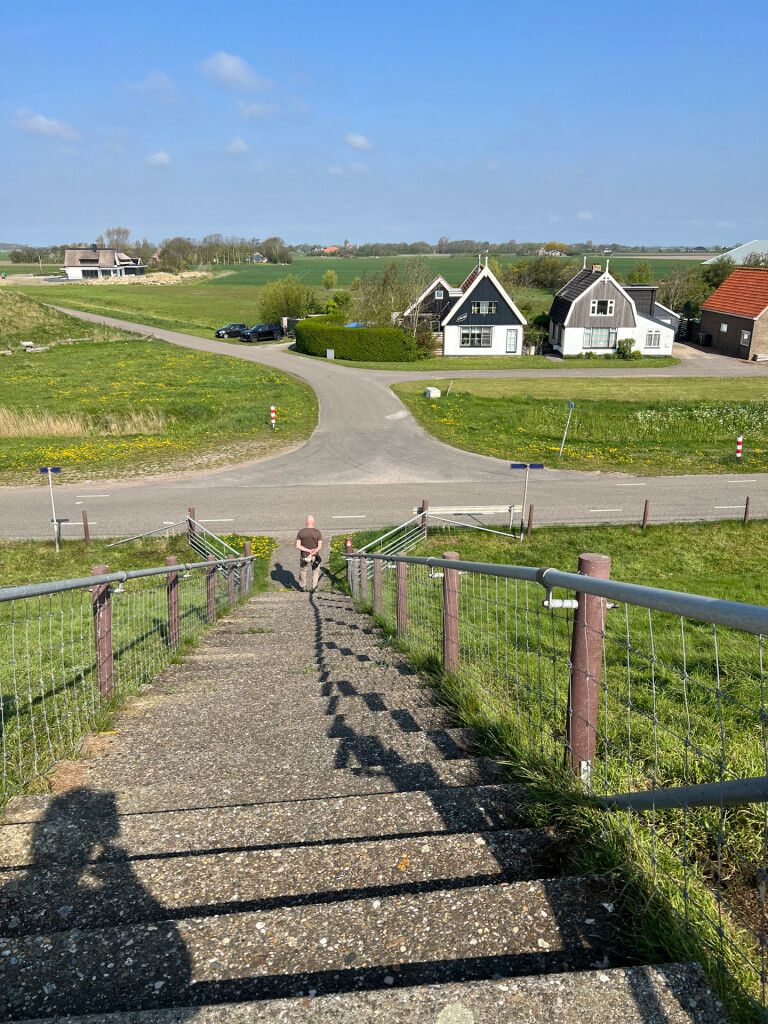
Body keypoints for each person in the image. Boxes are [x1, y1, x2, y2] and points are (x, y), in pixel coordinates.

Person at [296, 514, 323, 592]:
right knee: (315, 571)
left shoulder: (301, 532)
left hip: (304, 555)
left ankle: (302, 586)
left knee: (303, 571)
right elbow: (319, 547)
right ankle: (314, 587)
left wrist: (307, 551)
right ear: (314, 522)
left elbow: (298, 546)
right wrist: (312, 553)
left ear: (306, 522)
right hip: (315, 556)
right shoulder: (318, 533)